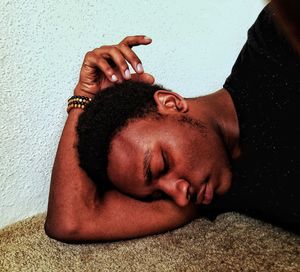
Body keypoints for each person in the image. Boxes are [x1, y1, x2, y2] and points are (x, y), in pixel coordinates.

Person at [45, 4, 300, 242]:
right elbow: (71, 221)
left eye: (162, 165)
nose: (179, 195)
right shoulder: (209, 190)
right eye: (158, 195)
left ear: (171, 103)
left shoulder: (274, 42)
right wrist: (84, 95)